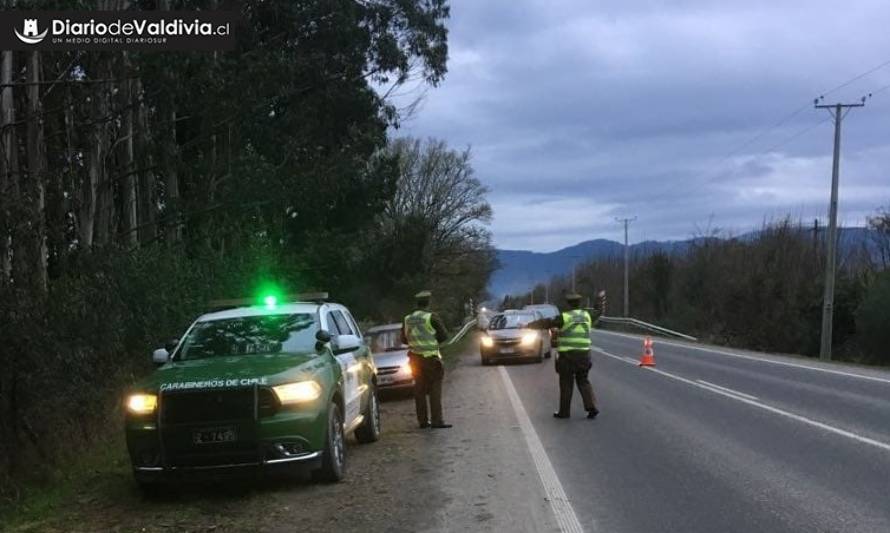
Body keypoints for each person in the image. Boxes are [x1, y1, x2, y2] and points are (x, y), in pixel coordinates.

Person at [531, 293, 599, 419]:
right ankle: (592, 407)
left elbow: (547, 323)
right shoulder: (587, 315)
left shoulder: (565, 317)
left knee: (566, 383)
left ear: (568, 304)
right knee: (583, 381)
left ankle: (564, 412)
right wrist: (600, 301)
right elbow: (598, 312)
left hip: (567, 356)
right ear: (580, 303)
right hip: (584, 354)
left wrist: (529, 325)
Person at [401, 290, 452, 429]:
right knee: (435, 388)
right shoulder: (431, 317)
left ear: (417, 303)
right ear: (428, 302)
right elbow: (444, 336)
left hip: (414, 359)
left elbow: (403, 339)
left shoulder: (407, 319)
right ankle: (437, 421)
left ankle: (422, 421)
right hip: (431, 359)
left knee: (419, 390)